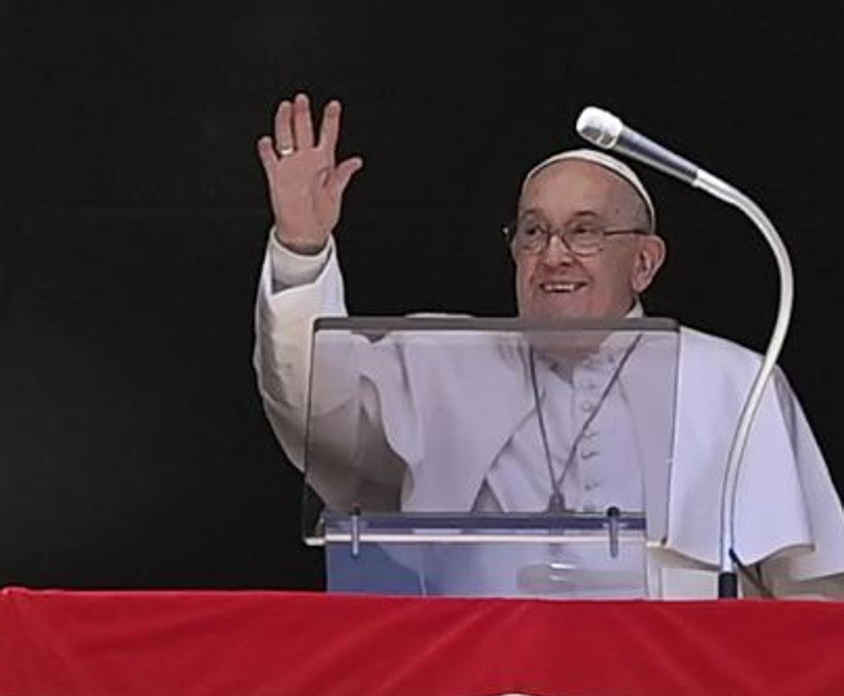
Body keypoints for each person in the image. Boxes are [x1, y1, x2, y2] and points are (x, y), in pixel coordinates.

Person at [253, 92, 844, 599]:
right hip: (488, 692)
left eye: (584, 231)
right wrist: (301, 249)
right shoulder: (438, 358)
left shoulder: (733, 380)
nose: (553, 254)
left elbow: (809, 593)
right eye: (533, 231)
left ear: (644, 262)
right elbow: (313, 403)